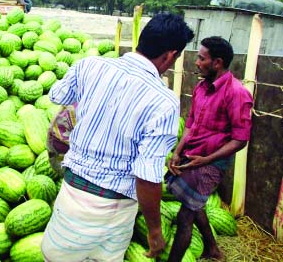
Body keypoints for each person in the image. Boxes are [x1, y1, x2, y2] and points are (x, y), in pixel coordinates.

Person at [41, 13, 194, 261]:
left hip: (73, 196)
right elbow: (147, 175)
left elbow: (58, 95)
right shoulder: (164, 102)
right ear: (169, 55)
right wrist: (155, 230)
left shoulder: (89, 65)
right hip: (117, 210)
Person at [165, 37, 253, 262]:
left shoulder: (237, 93)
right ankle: (212, 249)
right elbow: (191, 123)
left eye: (202, 58)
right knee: (193, 202)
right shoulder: (201, 88)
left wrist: (205, 160)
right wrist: (178, 151)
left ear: (217, 62)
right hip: (192, 154)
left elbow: (240, 140)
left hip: (211, 163)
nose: (196, 62)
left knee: (186, 215)